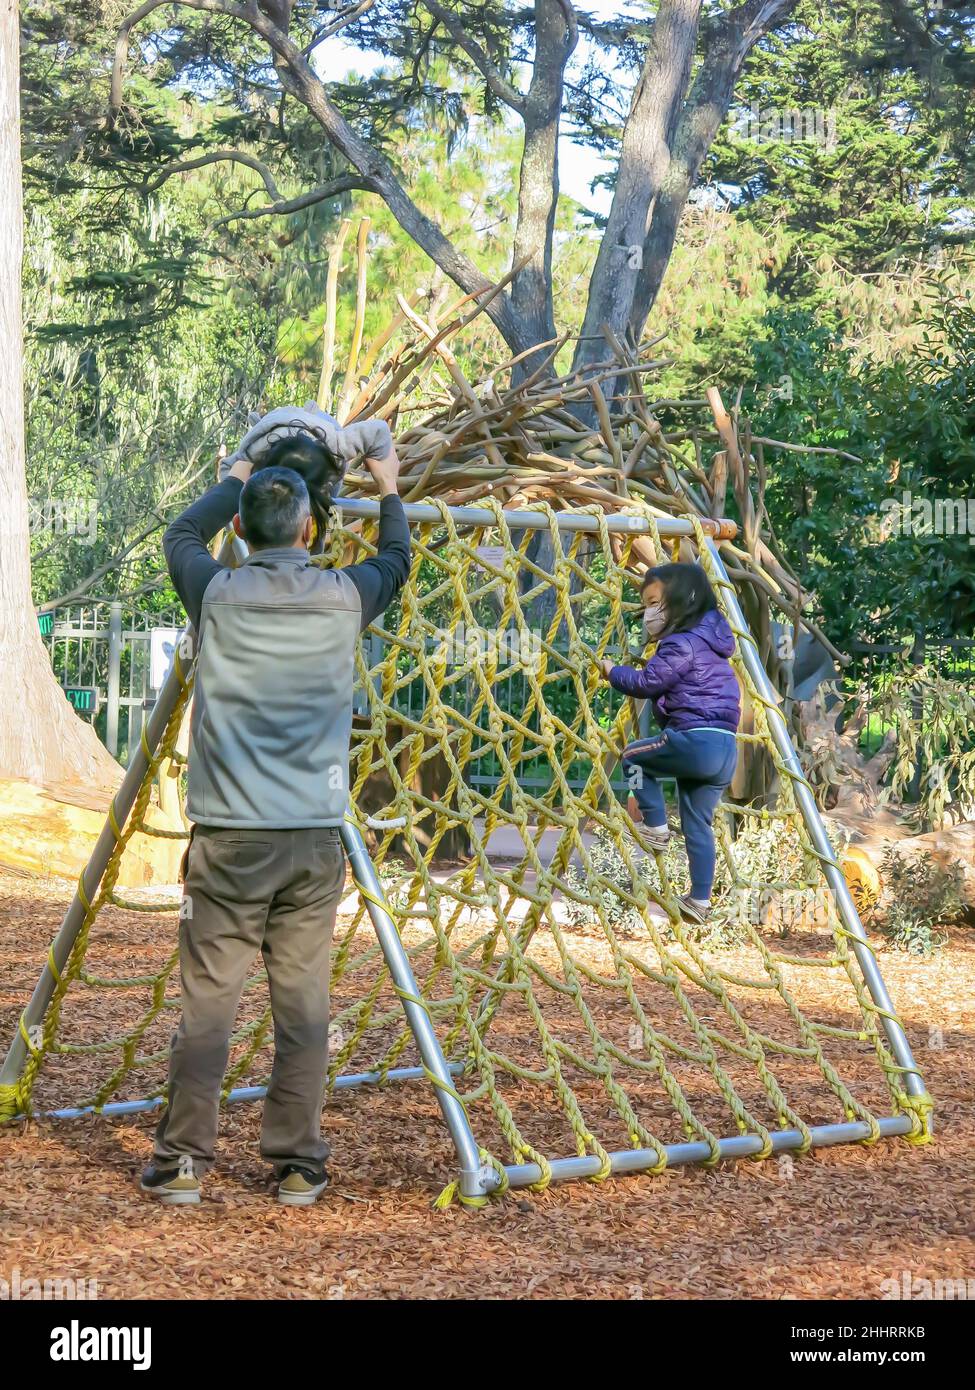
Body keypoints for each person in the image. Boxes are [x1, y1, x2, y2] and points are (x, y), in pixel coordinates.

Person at [140, 409, 410, 1206]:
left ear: (245, 529)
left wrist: (237, 471)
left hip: (228, 837)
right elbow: (395, 557)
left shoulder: (215, 593)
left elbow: (180, 532)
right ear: (311, 529)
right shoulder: (343, 599)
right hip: (312, 838)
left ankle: (183, 1161)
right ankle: (299, 1162)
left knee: (208, 1004)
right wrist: (388, 485)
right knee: (303, 1005)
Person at [601, 563, 740, 924]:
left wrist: (612, 672)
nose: (648, 613)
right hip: (724, 750)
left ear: (681, 601)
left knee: (633, 758)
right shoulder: (714, 645)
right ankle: (699, 899)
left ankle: (656, 826)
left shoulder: (682, 643)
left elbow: (648, 682)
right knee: (698, 825)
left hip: (695, 740)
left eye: (653, 602)